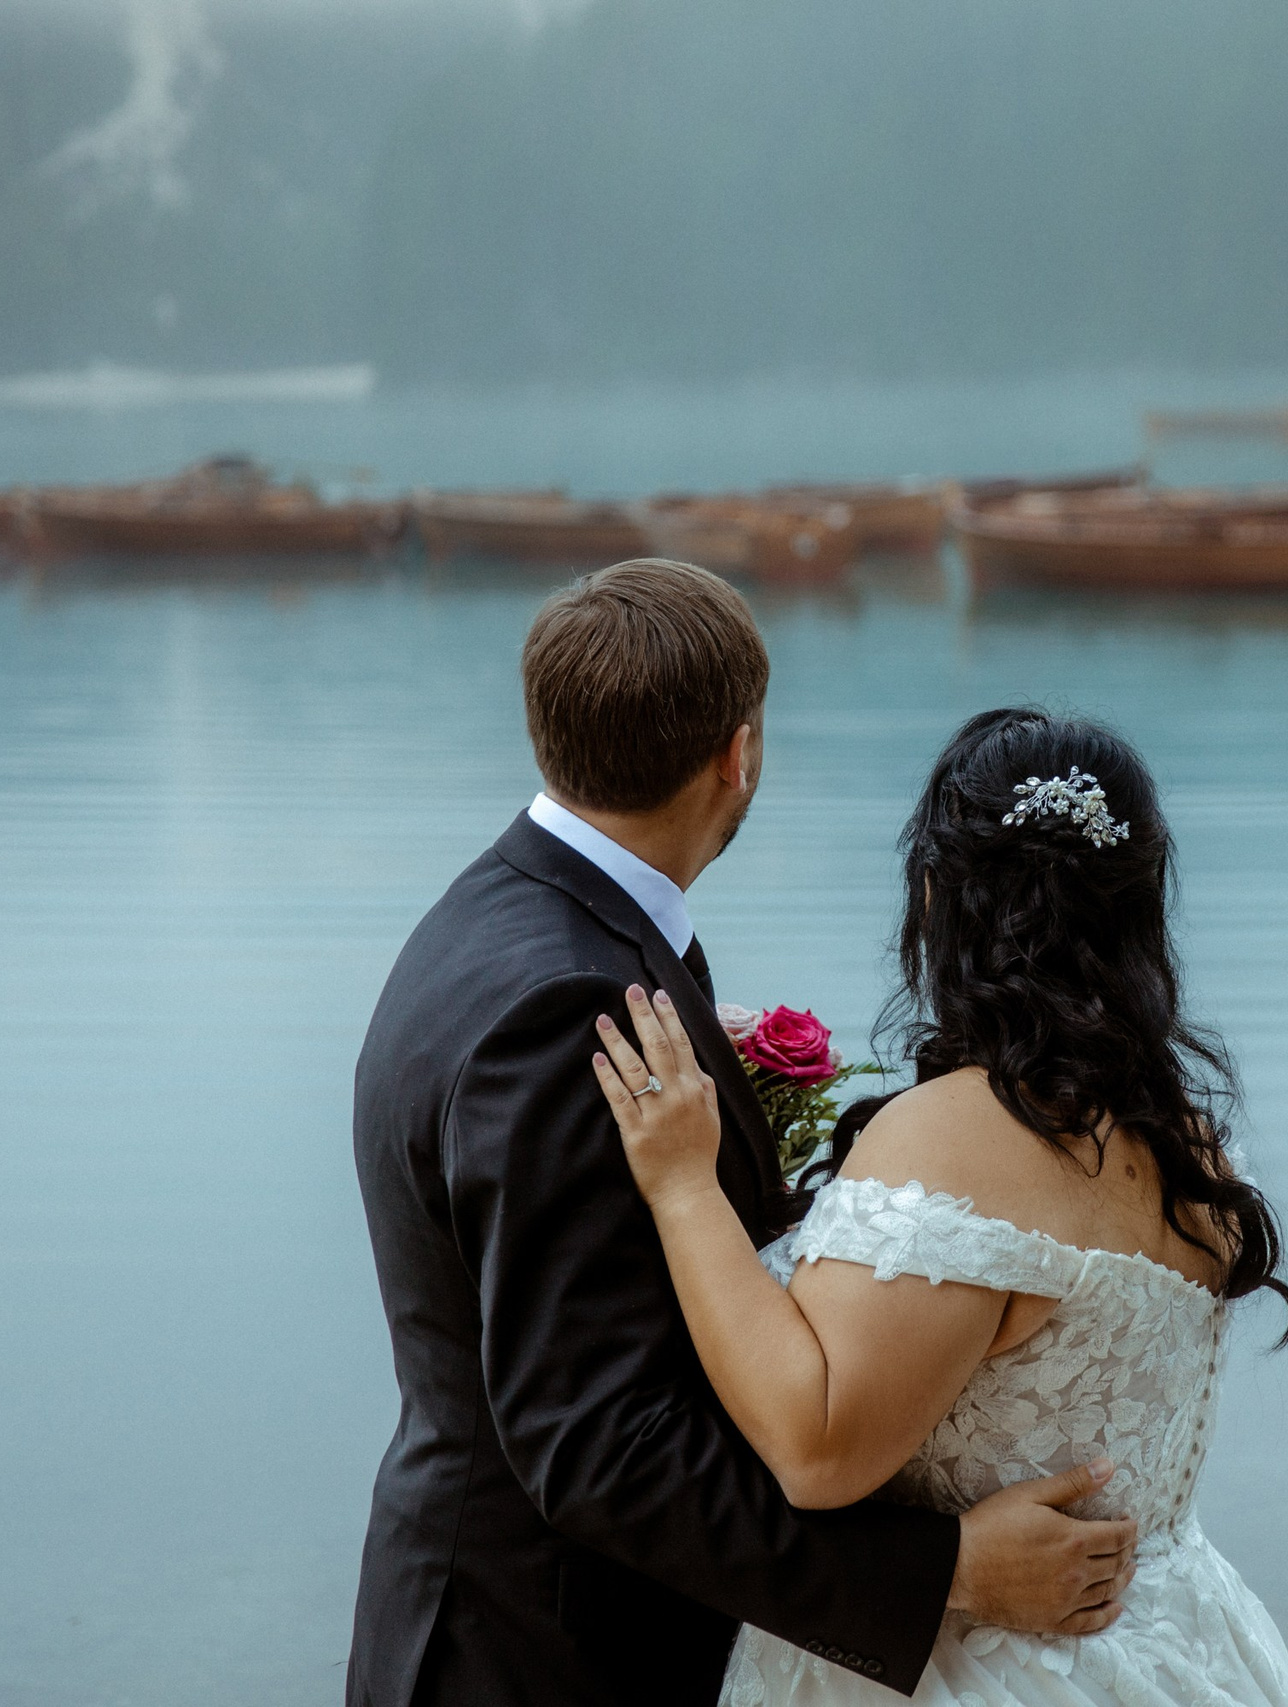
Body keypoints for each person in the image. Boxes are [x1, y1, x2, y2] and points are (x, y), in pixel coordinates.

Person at [348, 565, 1140, 1707]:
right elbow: (596, 1447)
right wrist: (943, 1574)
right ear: (741, 754)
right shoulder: (571, 1008)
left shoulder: (506, 918)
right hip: (541, 1656)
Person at [588, 707, 1288, 1706]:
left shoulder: (951, 1136)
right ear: (1140, 908)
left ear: (937, 899)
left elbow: (818, 1450)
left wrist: (680, 1187)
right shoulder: (1190, 1141)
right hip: (1177, 1645)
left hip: (977, 1670)